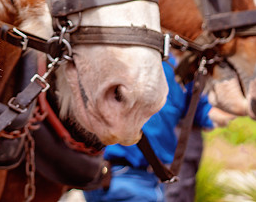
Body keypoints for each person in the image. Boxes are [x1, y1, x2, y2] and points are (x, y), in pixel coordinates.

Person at [83, 58, 213, 202]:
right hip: (124, 173)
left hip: (141, 176)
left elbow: (205, 114)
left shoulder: (181, 67)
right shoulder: (132, 57)